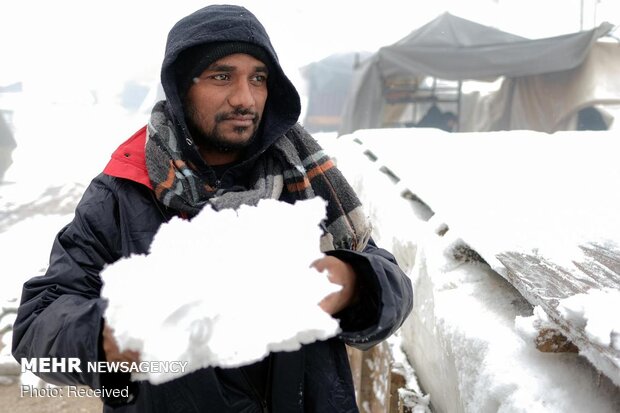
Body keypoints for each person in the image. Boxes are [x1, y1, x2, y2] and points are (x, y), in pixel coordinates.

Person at [12, 5, 413, 412]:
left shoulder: (303, 177)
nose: (245, 98)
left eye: (258, 78)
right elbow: (36, 328)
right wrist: (113, 334)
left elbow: (392, 285)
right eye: (222, 76)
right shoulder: (123, 192)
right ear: (181, 87)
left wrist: (349, 281)